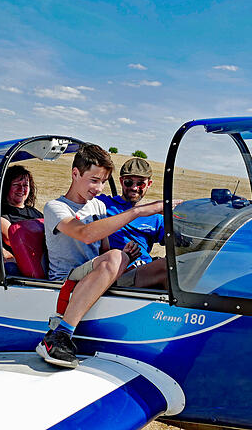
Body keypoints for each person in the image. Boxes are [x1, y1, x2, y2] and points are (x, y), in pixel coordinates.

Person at [36, 144, 169, 368]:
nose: (99, 188)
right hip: (68, 279)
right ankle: (59, 335)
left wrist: (124, 255)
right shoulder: (55, 208)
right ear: (75, 173)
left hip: (99, 275)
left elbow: (103, 249)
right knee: (116, 257)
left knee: (165, 267)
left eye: (104, 182)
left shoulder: (97, 205)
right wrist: (139, 211)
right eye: (94, 180)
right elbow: (85, 234)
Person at [96, 158, 165, 273]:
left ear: (149, 184)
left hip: (145, 269)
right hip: (116, 272)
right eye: (129, 182)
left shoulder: (155, 217)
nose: (134, 188)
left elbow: (177, 241)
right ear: (121, 181)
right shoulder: (103, 205)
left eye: (140, 183)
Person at [0, 165, 43, 250]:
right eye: (16, 185)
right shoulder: (0, 213)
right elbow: (13, 240)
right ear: (6, 187)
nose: (21, 189)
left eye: (25, 185)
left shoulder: (35, 212)